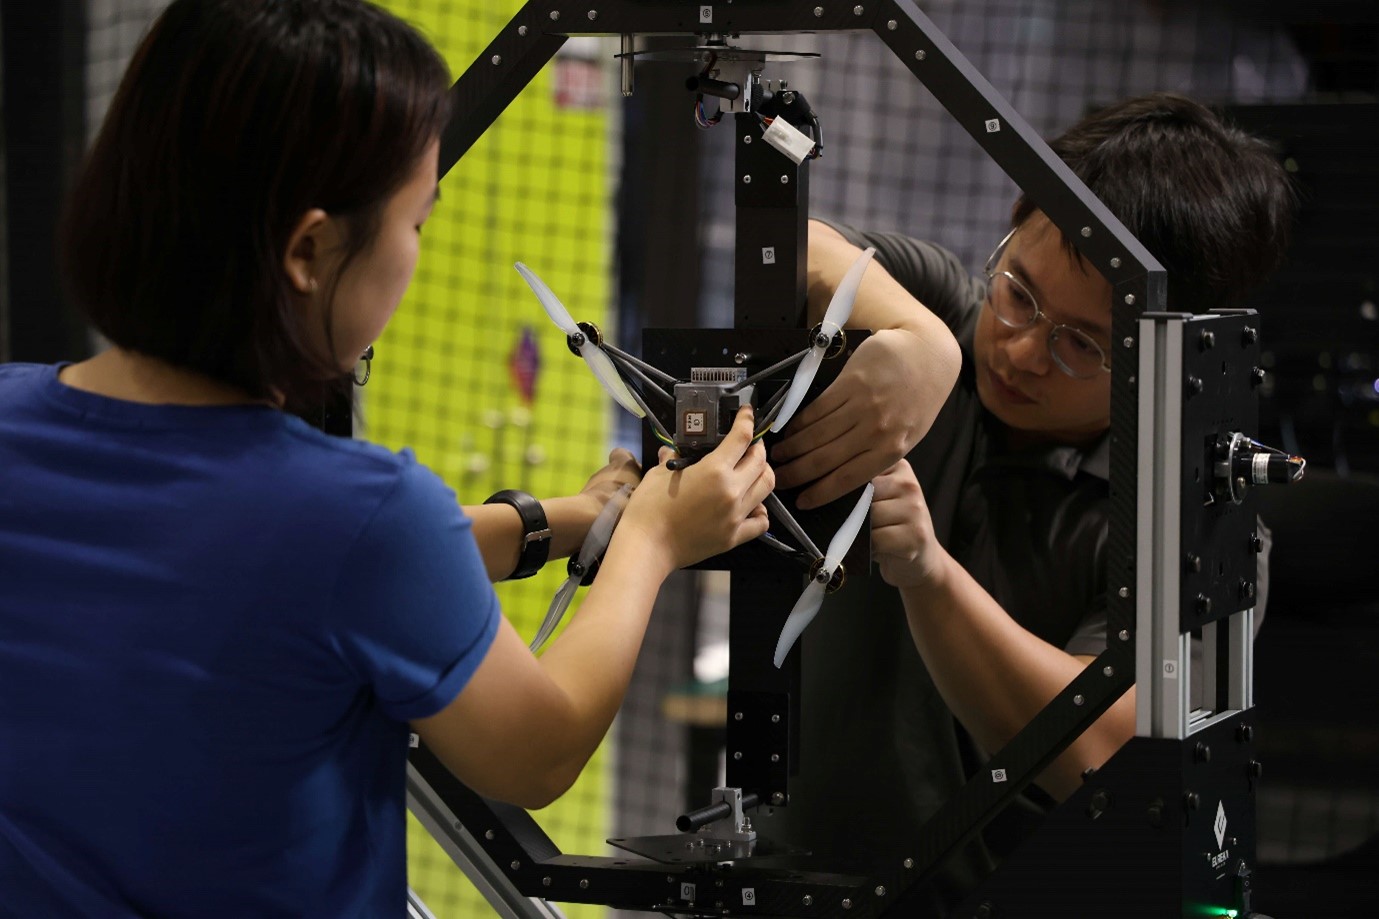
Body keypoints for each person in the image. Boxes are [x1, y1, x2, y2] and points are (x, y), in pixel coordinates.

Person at [0, 1, 774, 915]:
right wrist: (650, 539)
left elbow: (245, 560)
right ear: (309, 250)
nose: (413, 254)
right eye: (414, 223)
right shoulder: (358, 515)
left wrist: (559, 521)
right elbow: (538, 748)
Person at [761, 92, 1294, 911]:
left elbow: (1104, 747)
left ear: (1164, 357)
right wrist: (921, 341)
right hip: (789, 885)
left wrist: (929, 576)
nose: (1019, 349)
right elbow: (785, 252)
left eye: (1080, 345)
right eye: (1018, 292)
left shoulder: (1193, 522)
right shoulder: (940, 304)